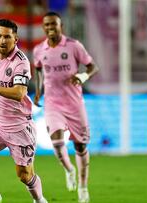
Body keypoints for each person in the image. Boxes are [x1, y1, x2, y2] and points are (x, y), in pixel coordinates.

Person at [0, 19, 48, 203]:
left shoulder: (21, 63)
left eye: (7, 37)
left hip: (18, 125)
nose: (2, 41)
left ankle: (39, 200)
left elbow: (19, 93)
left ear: (15, 39)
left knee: (24, 175)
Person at [32, 12, 99, 203]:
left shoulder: (73, 46)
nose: (50, 27)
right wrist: (38, 91)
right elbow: (37, 69)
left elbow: (93, 67)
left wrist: (82, 77)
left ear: (61, 26)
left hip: (74, 103)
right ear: (43, 27)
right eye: (47, 24)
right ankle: (69, 169)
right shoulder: (39, 49)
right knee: (57, 140)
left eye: (54, 24)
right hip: (52, 103)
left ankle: (83, 186)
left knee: (80, 145)